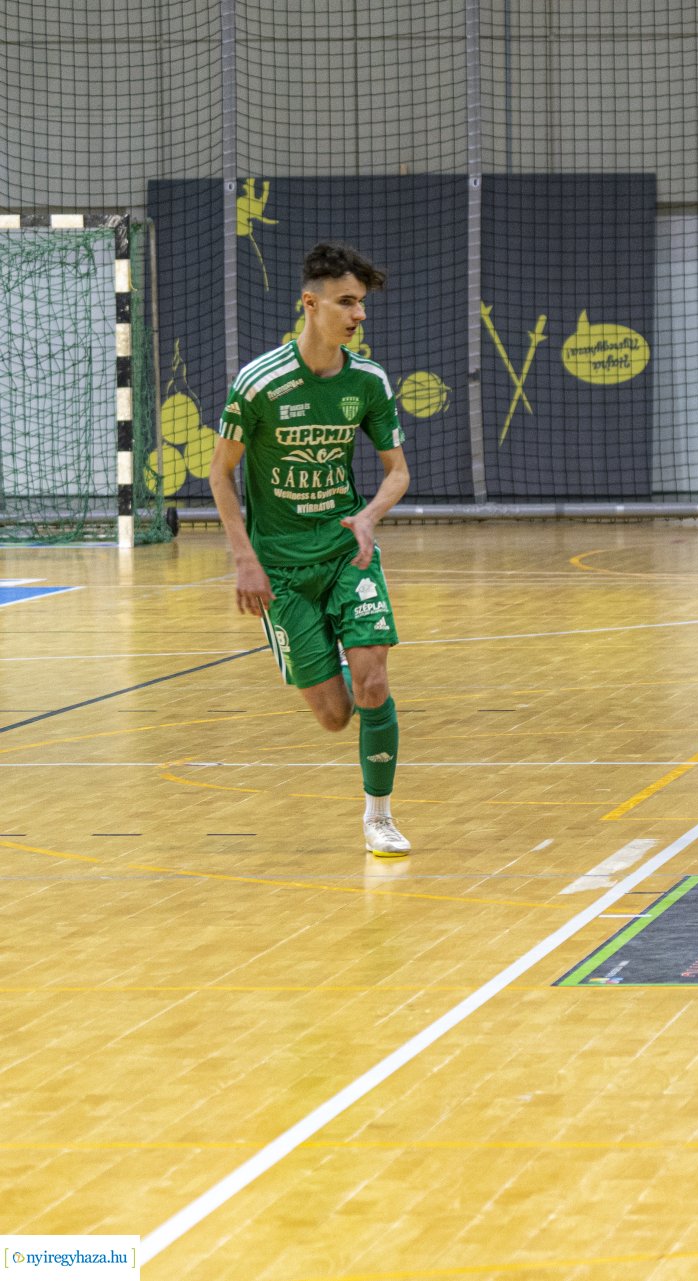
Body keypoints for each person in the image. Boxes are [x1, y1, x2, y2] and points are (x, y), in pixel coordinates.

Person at [207, 241, 413, 857]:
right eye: (347, 302)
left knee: (373, 686)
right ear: (311, 303)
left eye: (363, 304)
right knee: (335, 716)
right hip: (282, 569)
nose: (359, 315)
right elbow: (220, 475)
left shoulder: (368, 381)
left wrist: (370, 517)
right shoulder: (259, 383)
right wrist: (245, 559)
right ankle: (336, 656)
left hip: (347, 553)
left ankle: (379, 817)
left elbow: (397, 471)